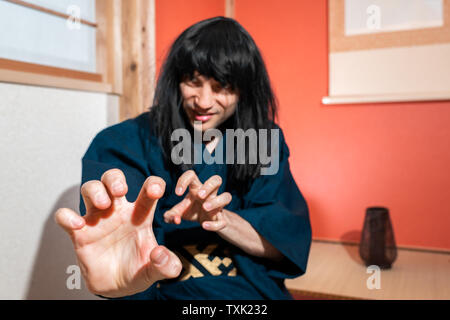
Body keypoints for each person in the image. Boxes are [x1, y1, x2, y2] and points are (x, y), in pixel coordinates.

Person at [55, 16, 311, 300]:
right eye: (193, 81)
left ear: (244, 91)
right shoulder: (121, 143)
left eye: (222, 86)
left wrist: (219, 218)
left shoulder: (260, 139)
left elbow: (285, 240)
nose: (203, 101)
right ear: (176, 80)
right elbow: (122, 259)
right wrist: (118, 279)